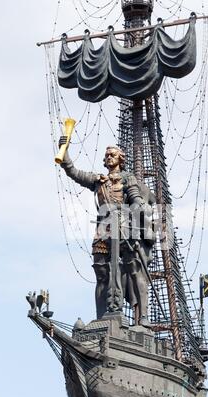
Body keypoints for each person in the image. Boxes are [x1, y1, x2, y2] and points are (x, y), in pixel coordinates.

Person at [58, 138, 155, 326]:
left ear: (120, 159)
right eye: (107, 156)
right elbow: (73, 172)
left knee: (134, 271)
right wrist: (65, 150)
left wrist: (132, 220)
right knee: (101, 272)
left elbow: (135, 200)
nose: (109, 157)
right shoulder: (98, 180)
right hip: (103, 229)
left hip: (124, 228)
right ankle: (102, 317)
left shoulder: (128, 178)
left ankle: (143, 317)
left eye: (113, 155)